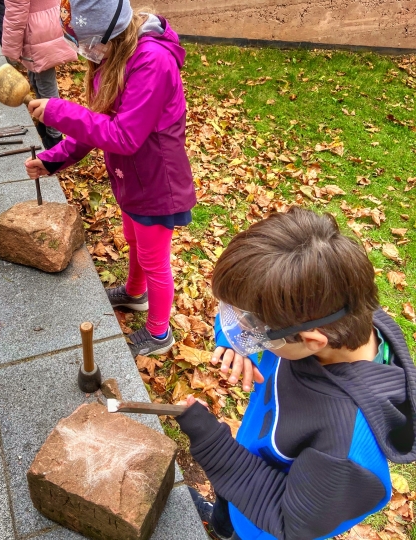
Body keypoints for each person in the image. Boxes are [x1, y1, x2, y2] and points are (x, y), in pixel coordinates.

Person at [175, 207, 416, 540]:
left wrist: (215, 448)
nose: (236, 330)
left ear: (311, 340)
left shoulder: (346, 448)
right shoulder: (331, 308)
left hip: (262, 527)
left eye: (249, 330)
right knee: (227, 511)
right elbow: (250, 316)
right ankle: (221, 526)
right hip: (245, 467)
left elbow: (291, 524)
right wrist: (232, 345)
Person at [24, 0, 196, 357]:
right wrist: (54, 159)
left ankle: (159, 333)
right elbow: (100, 126)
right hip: (132, 177)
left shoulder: (152, 61)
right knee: (134, 240)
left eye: (85, 44)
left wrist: (60, 112)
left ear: (107, 34)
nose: (85, 52)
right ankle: (135, 294)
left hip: (157, 183)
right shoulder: (113, 57)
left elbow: (124, 136)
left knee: (155, 260)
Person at [2, 0, 77, 149]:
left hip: (37, 32)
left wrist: (11, 50)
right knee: (37, 78)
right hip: (49, 23)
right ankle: (44, 123)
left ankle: (55, 137)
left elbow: (15, 15)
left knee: (45, 86)